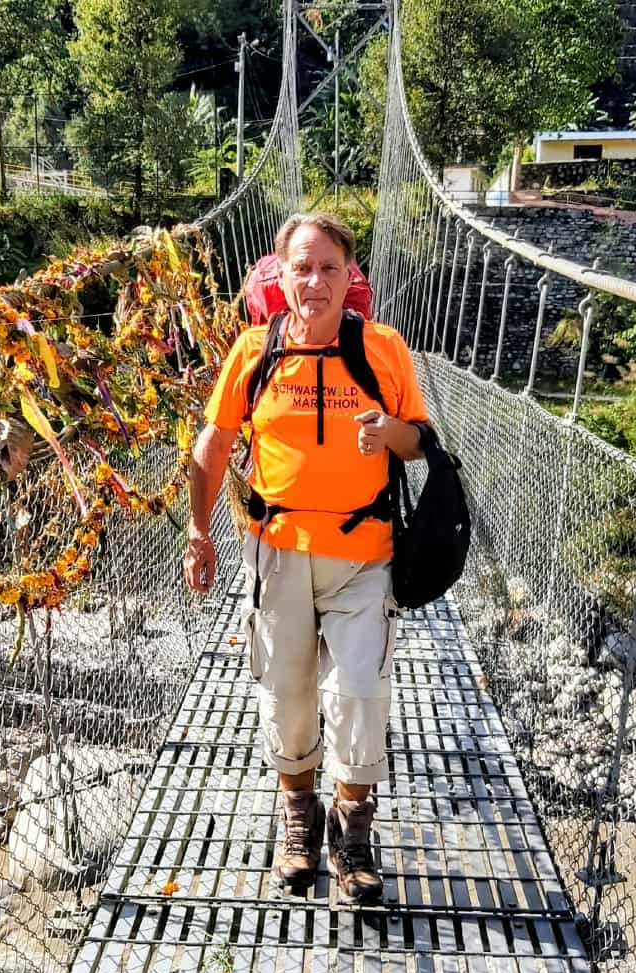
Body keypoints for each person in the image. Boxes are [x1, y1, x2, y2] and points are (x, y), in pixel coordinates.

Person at [183, 213, 430, 904]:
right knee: (287, 695)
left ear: (350, 276)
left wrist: (392, 433)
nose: (315, 281)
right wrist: (198, 530)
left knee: (360, 694)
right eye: (302, 267)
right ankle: (299, 817)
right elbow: (213, 444)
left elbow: (422, 443)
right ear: (281, 275)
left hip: (364, 555)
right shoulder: (253, 351)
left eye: (329, 268)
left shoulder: (382, 348)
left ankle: (353, 832)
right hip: (278, 554)